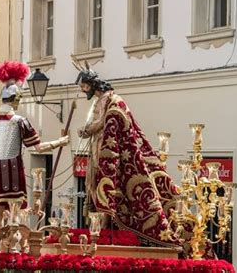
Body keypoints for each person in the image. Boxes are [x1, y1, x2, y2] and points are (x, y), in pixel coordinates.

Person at [75, 67, 180, 248]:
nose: (83, 91)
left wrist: (90, 129)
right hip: (96, 150)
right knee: (92, 187)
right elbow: (97, 123)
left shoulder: (114, 100)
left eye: (84, 86)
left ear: (92, 84)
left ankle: (104, 229)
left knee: (105, 189)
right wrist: (88, 130)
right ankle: (98, 228)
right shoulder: (100, 100)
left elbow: (109, 120)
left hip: (110, 154)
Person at [0, 61, 69, 233]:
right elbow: (38, 148)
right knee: (15, 211)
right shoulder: (19, 122)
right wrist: (60, 142)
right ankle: (13, 248)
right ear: (15, 99)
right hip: (12, 169)